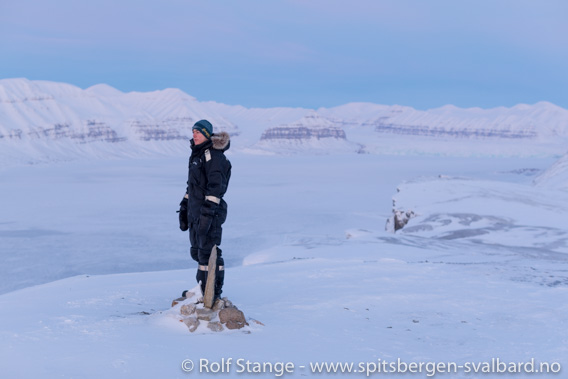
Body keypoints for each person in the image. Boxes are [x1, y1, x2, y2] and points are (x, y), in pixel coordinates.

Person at [178, 119, 231, 300]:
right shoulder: (197, 155)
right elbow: (192, 186)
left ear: (207, 134)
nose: (194, 135)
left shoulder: (214, 157)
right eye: (193, 131)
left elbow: (216, 187)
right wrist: (184, 206)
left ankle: (214, 292)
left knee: (210, 251)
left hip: (210, 213)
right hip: (196, 211)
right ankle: (201, 288)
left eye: (198, 132)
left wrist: (208, 214)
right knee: (198, 252)